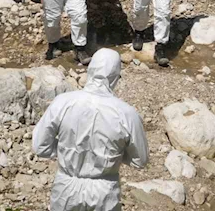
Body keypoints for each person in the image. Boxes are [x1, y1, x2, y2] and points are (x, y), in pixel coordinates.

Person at [33, 48, 148, 211]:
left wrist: (67, 152)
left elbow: (40, 147)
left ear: (91, 69)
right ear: (116, 76)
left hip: (66, 187)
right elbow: (140, 160)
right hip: (105, 191)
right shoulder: (126, 113)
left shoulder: (62, 102)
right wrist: (112, 157)